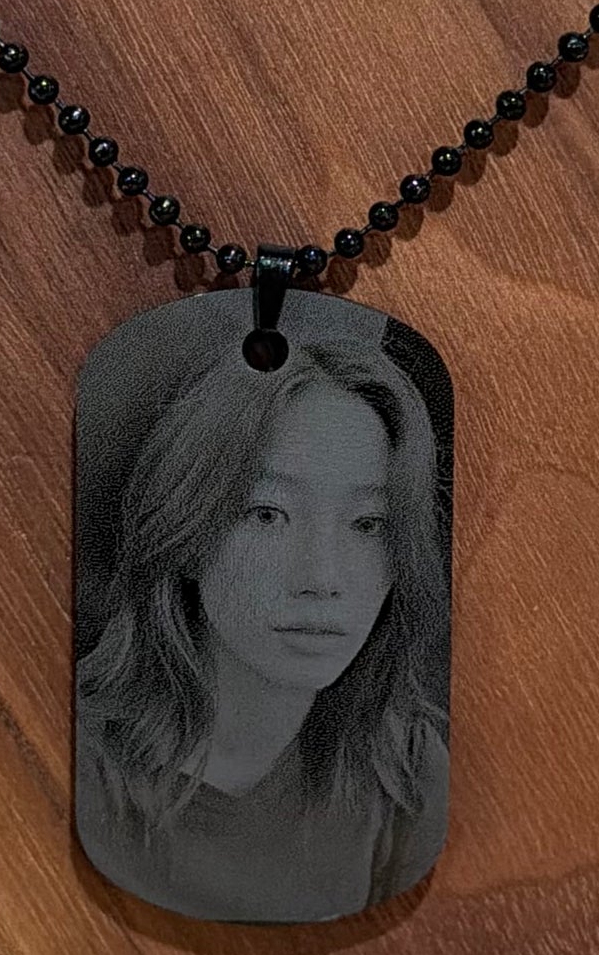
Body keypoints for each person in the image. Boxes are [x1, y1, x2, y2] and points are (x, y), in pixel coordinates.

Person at [76, 328, 450, 923]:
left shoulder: (402, 767)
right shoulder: (81, 755)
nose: (322, 579)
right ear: (189, 530)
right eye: (267, 514)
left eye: (368, 524)